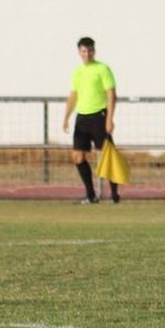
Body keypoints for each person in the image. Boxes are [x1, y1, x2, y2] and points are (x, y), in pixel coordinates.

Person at [62, 37, 118, 205]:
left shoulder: (102, 69)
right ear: (79, 52)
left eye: (89, 50)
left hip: (99, 116)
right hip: (82, 118)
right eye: (83, 51)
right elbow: (73, 95)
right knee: (78, 156)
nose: (87, 54)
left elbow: (111, 94)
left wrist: (109, 118)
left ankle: (115, 194)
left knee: (107, 157)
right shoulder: (77, 72)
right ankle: (91, 195)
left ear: (94, 51)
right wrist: (66, 117)